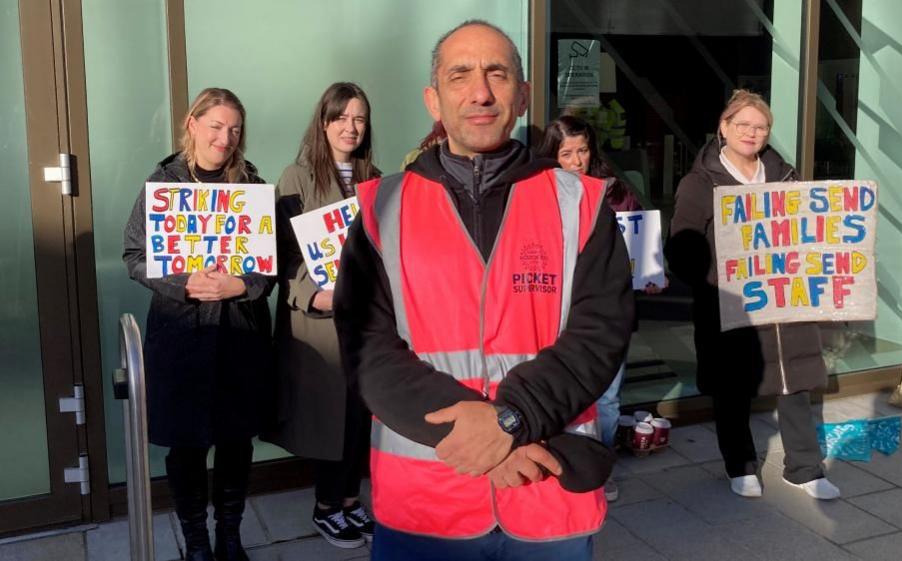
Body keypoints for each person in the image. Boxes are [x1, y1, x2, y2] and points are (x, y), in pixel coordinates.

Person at [334, 20, 633, 561]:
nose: (480, 92)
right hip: (425, 503)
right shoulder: (381, 209)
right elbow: (367, 350)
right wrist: (483, 439)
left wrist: (511, 421)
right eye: (460, 75)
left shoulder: (583, 204)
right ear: (433, 98)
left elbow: (600, 336)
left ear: (521, 96)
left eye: (497, 74)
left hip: (547, 491)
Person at [123, 87, 275, 561]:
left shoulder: (251, 186)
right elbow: (134, 255)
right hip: (181, 335)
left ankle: (229, 537)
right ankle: (195, 544)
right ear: (192, 124)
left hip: (239, 335)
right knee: (186, 445)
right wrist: (182, 282)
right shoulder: (162, 185)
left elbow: (271, 264)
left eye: (234, 129)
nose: (225, 138)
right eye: (216, 126)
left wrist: (243, 286)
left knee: (235, 440)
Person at [666, 89, 839, 500]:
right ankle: (740, 465)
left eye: (759, 126)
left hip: (783, 301)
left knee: (794, 382)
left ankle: (805, 468)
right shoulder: (700, 182)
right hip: (729, 302)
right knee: (733, 386)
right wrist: (714, 274)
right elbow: (682, 245)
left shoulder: (786, 178)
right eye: (742, 124)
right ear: (723, 127)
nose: (751, 132)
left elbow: (807, 233)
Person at [264, 82, 378, 549]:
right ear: (324, 122)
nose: (351, 128)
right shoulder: (298, 176)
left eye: (359, 119)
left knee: (362, 413)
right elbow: (281, 255)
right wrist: (313, 295)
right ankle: (326, 506)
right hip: (321, 319)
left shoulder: (376, 177)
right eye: (342, 118)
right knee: (332, 417)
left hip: (366, 320)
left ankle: (352, 500)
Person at [537, 114, 662, 502]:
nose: (577, 161)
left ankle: (599, 467)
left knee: (607, 397)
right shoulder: (537, 196)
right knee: (561, 393)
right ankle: (558, 464)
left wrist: (650, 272)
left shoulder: (616, 192)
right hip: (558, 314)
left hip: (609, 315)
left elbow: (640, 248)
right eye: (567, 153)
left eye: (583, 151)